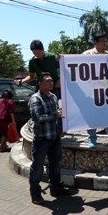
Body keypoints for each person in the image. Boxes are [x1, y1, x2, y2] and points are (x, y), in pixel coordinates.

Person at [28, 72, 69, 205]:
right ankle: (35, 193)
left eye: (51, 81)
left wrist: (61, 128)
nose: (51, 83)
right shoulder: (36, 99)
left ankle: (55, 187)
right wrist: (54, 115)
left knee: (55, 164)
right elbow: (37, 118)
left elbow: (60, 114)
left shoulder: (53, 97)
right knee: (37, 167)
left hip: (55, 137)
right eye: (47, 81)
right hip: (42, 139)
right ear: (39, 83)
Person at [83, 34, 108, 148]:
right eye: (102, 41)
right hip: (92, 91)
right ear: (95, 42)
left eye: (106, 41)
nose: (104, 43)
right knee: (92, 115)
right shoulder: (86, 55)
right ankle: (92, 138)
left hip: (107, 91)